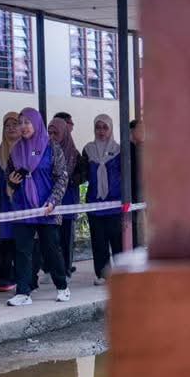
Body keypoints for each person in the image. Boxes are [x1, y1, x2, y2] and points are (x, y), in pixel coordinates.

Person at [4, 108, 69, 307]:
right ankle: (23, 291)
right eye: (20, 123)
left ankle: (62, 286)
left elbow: (62, 178)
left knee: (51, 249)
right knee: (22, 250)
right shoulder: (15, 150)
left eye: (27, 122)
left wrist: (53, 201)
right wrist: (12, 184)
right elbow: (10, 179)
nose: (23, 127)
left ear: (37, 124)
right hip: (23, 207)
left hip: (46, 208)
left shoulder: (52, 147)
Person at [82, 113, 123, 285]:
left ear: (111, 129)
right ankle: (102, 274)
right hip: (95, 203)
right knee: (99, 242)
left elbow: (124, 174)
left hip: (115, 203)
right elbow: (82, 174)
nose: (101, 131)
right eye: (98, 127)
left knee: (117, 241)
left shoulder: (119, 149)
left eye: (105, 127)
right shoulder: (88, 149)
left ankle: (121, 274)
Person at [48, 113, 87, 277]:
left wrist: (69, 180)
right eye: (49, 133)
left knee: (66, 238)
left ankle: (65, 270)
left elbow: (83, 174)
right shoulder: (46, 152)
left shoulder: (74, 153)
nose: (51, 137)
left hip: (68, 201)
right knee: (51, 239)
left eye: (55, 133)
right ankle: (51, 269)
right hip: (51, 202)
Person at [0, 111, 21, 294]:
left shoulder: (26, 150)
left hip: (23, 204)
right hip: (4, 205)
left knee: (23, 241)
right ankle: (6, 277)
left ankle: (25, 277)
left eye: (15, 124)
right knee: (6, 241)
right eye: (7, 126)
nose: (11, 129)